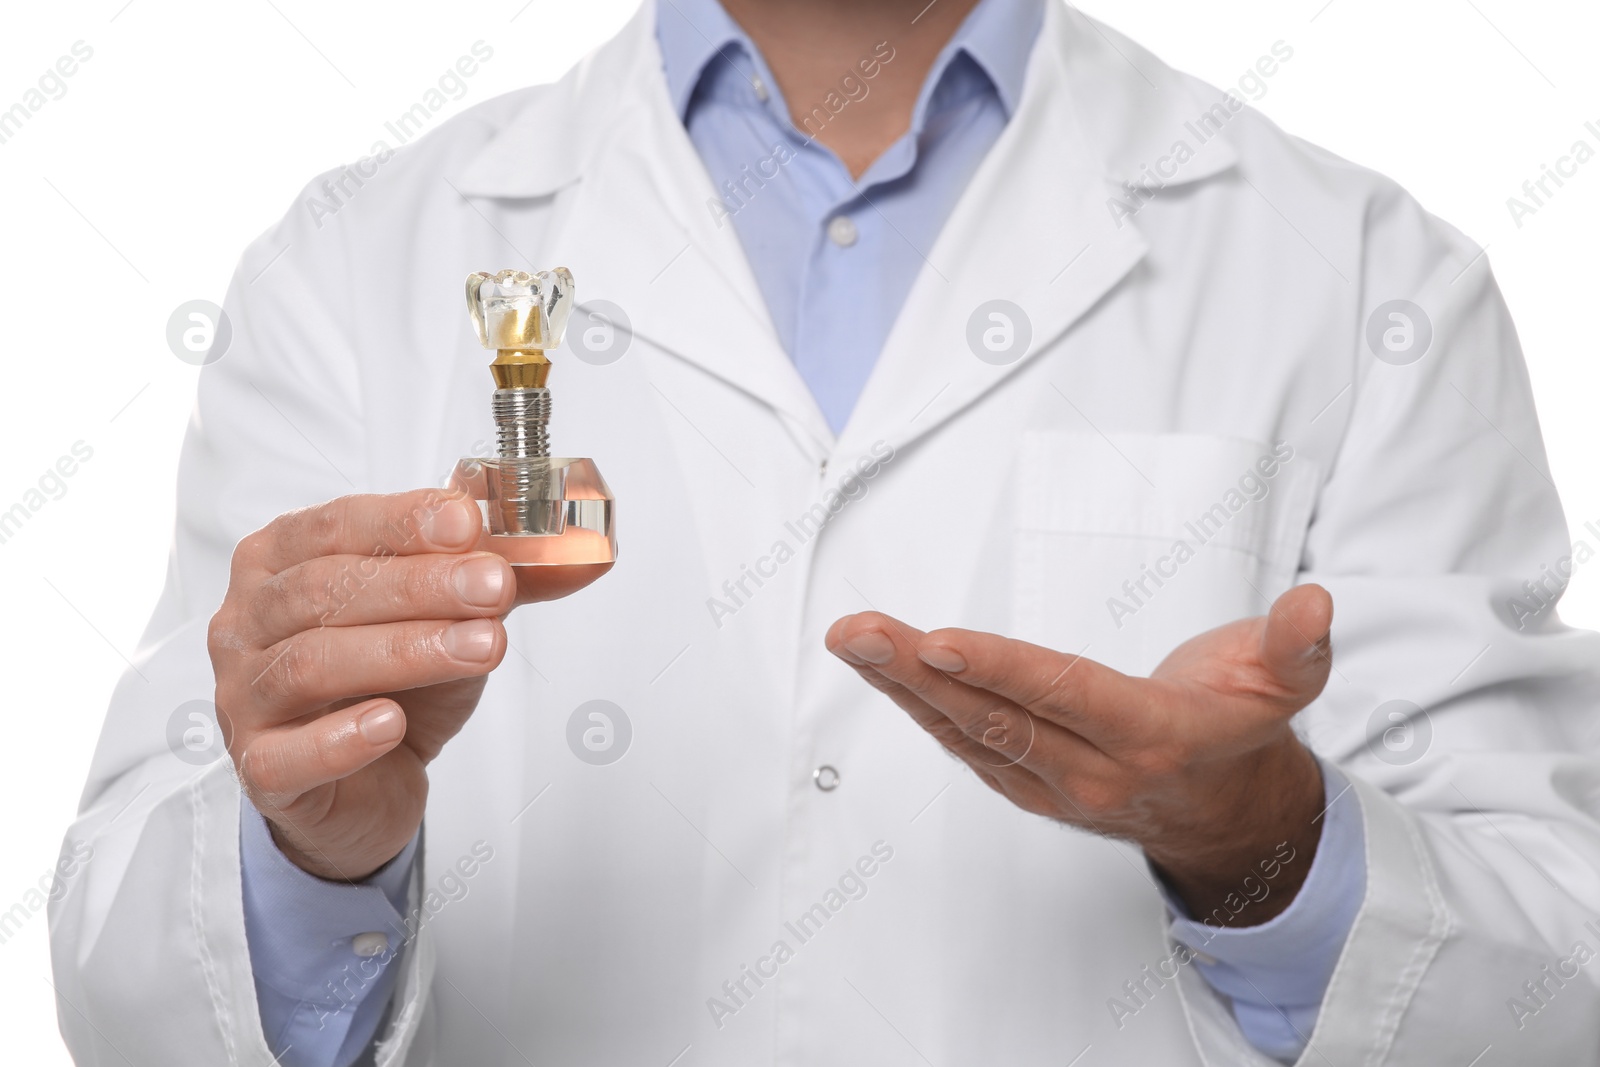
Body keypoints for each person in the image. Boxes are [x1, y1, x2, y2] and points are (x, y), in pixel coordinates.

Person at [50, 0, 1600, 1063]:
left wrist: (1260, 846)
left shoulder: (1363, 274)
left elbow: (1555, 990)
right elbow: (127, 996)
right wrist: (309, 866)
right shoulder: (354, 268)